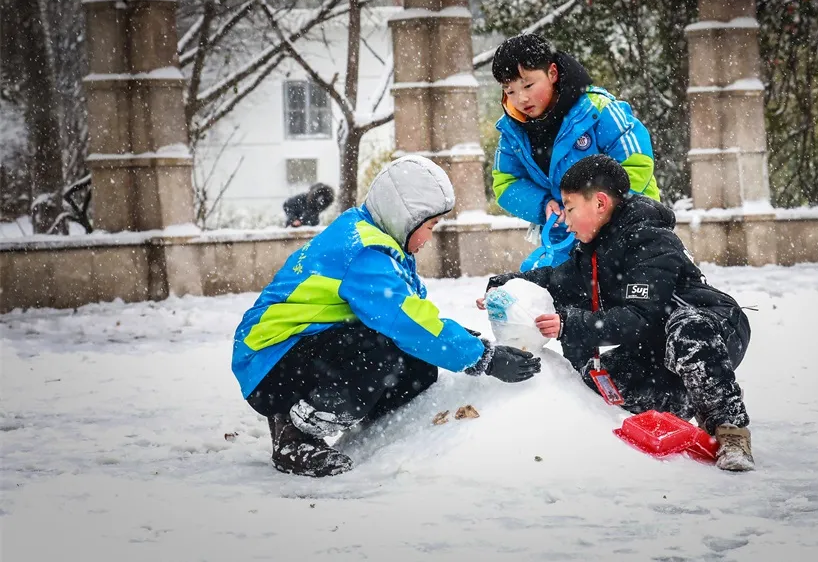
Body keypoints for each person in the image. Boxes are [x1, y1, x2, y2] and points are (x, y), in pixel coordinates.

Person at [233, 156, 542, 477]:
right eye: (430, 226)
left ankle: (363, 426)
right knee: (381, 350)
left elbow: (416, 319)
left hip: (295, 352)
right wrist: (485, 359)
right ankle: (295, 437)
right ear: (405, 215)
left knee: (416, 366)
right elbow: (405, 323)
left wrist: (471, 343)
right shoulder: (366, 252)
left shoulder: (369, 234)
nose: (429, 238)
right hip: (270, 361)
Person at [478, 155, 755, 471]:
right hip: (655, 347)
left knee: (686, 329)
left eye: (569, 208)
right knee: (597, 381)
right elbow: (555, 279)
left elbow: (639, 316)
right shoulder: (597, 250)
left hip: (713, 328)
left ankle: (730, 431)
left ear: (599, 203)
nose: (565, 221)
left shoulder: (651, 239)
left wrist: (570, 325)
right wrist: (504, 284)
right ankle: (697, 394)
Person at [490, 33, 660, 266]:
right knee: (532, 282)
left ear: (552, 73)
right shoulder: (512, 131)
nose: (521, 98)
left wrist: (594, 208)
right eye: (509, 91)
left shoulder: (598, 109)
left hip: (628, 227)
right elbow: (505, 182)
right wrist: (543, 204)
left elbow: (637, 161)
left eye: (528, 85)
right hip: (567, 234)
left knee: (626, 290)